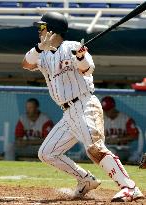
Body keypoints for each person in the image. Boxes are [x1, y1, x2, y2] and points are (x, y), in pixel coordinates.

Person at [22, 12, 143, 202]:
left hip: (84, 104)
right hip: (68, 113)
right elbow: (26, 64)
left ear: (52, 30)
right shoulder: (42, 53)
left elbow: (87, 68)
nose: (39, 30)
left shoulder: (73, 46)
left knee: (94, 148)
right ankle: (85, 180)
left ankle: (129, 187)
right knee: (46, 153)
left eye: (43, 27)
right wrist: (39, 47)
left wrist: (80, 57)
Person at [101, 96, 139, 163]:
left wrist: (118, 140)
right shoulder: (101, 120)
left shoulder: (126, 119)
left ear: (113, 108)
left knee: (111, 153)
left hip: (123, 149)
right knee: (88, 152)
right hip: (105, 148)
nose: (106, 112)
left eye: (108, 110)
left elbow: (135, 136)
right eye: (104, 110)